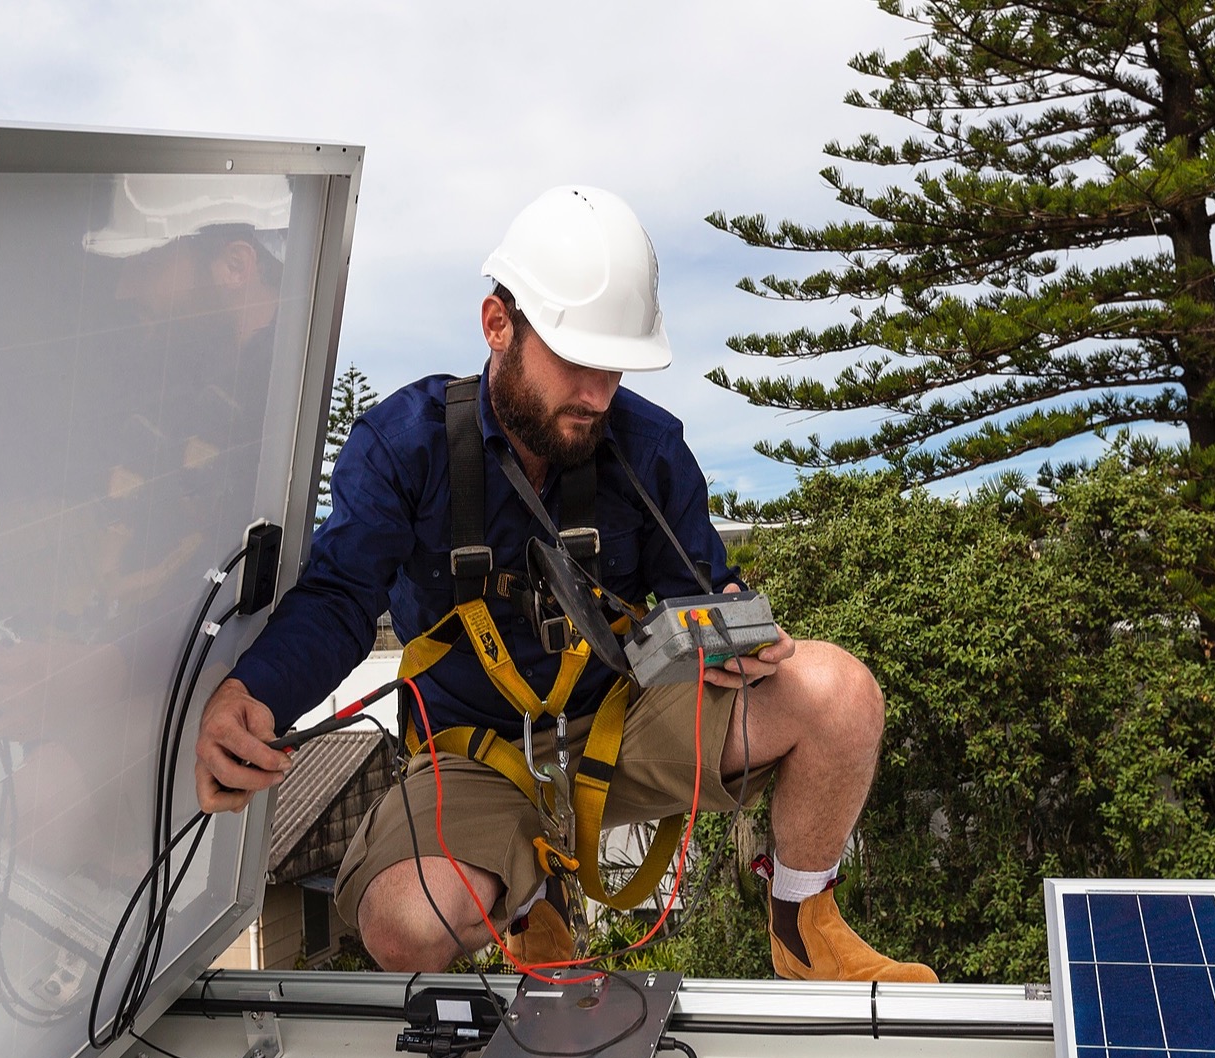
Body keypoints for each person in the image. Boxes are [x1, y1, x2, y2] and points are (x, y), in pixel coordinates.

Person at [194, 186, 936, 983]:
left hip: (621, 725)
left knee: (840, 694)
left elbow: (700, 585)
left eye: (613, 366)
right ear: (497, 325)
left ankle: (801, 923)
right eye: (575, 361)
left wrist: (731, 630)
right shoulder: (404, 448)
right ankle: (527, 899)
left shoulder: (646, 449)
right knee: (404, 923)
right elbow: (341, 599)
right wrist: (256, 693)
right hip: (473, 756)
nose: (597, 393)